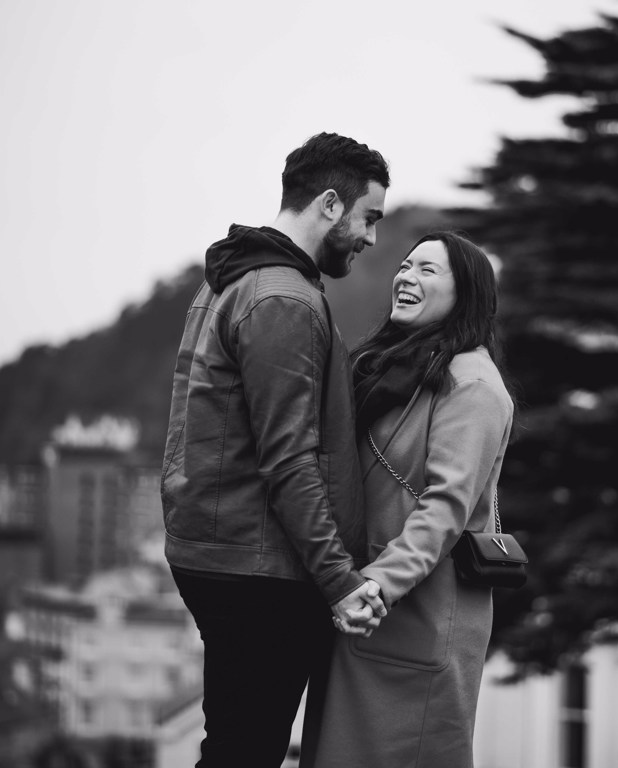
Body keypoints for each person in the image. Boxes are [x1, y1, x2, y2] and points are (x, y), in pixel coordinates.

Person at [160, 132, 390, 768]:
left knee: (235, 745)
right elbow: (290, 457)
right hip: (258, 567)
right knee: (244, 752)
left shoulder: (230, 282)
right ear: (328, 204)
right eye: (368, 217)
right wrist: (340, 580)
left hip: (223, 550)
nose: (371, 238)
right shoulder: (283, 300)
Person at [299, 231, 515, 768]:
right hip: (368, 605)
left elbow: (446, 507)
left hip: (415, 613)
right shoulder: (398, 366)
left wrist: (377, 583)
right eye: (405, 265)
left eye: (427, 270)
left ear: (465, 294)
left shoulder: (473, 387)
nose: (406, 277)